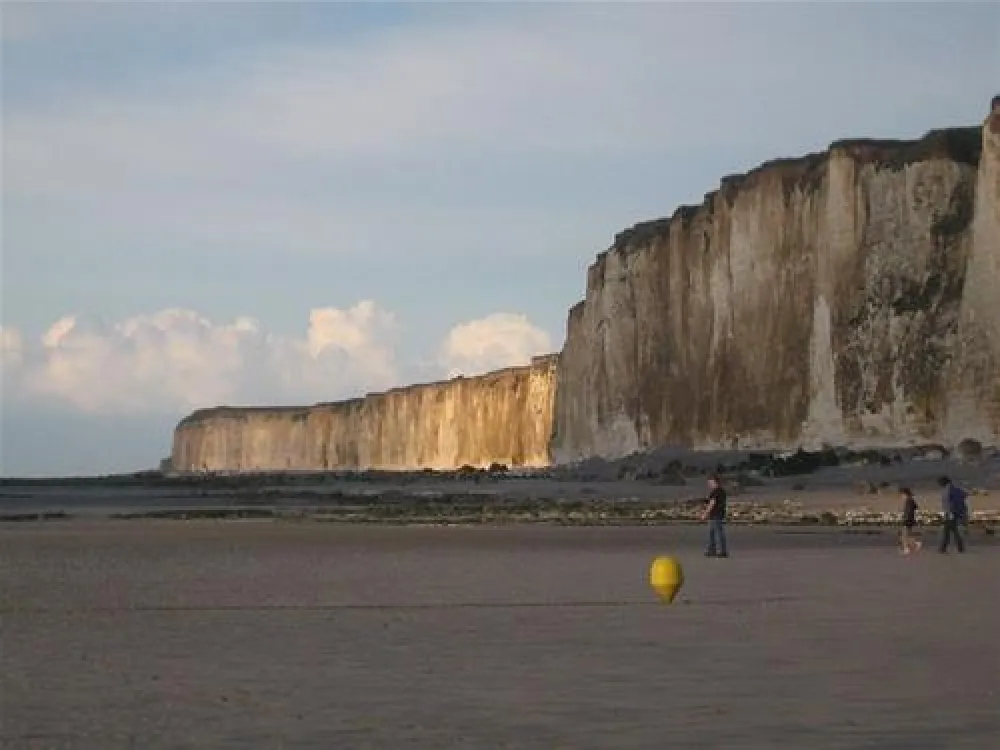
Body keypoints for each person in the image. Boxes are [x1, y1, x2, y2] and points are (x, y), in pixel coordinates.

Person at [937, 476, 968, 554]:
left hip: (950, 513)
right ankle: (959, 548)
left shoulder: (947, 490)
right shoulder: (955, 489)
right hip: (954, 513)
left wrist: (950, 513)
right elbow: (965, 495)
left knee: (948, 531)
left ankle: (943, 548)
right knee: (953, 531)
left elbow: (949, 503)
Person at [702, 475, 728, 558]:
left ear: (714, 482)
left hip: (715, 514)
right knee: (713, 533)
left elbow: (712, 503)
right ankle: (713, 550)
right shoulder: (722, 491)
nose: (709, 485)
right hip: (719, 514)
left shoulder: (715, 492)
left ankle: (721, 551)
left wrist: (705, 514)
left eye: (710, 482)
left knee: (717, 533)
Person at [898, 487, 921, 555]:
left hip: (907, 519)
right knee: (907, 534)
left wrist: (905, 519)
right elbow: (915, 507)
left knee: (904, 535)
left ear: (905, 494)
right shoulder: (911, 500)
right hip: (910, 519)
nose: (901, 496)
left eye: (902, 495)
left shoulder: (908, 500)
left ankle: (907, 549)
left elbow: (908, 511)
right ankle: (916, 544)